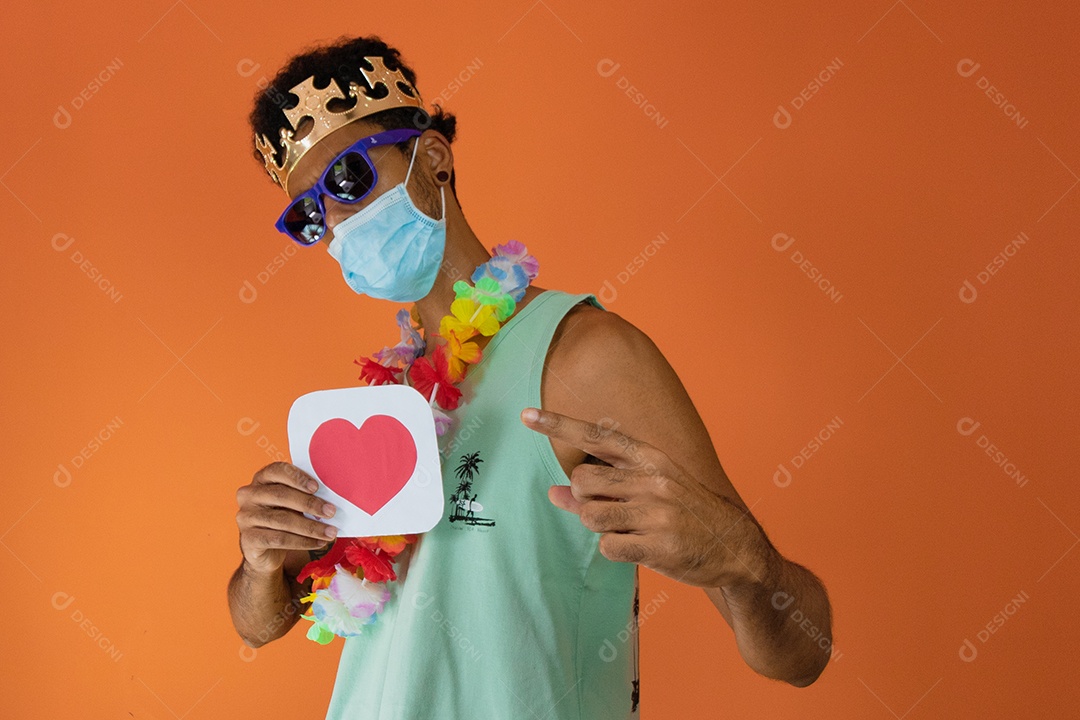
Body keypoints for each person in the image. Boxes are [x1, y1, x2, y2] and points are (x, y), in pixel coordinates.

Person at [227, 34, 833, 720]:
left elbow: (802, 654)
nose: (335, 222)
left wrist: (746, 562)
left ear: (432, 158)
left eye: (346, 179)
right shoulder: (388, 402)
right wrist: (261, 563)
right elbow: (263, 623)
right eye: (309, 214)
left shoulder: (585, 356)